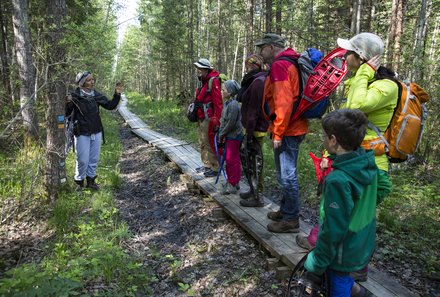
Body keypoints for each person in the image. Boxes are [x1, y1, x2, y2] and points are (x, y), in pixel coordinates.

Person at [296, 32, 397, 281]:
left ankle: (353, 267)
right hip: (349, 160)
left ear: (360, 58)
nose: (344, 56)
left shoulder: (386, 86)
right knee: (334, 213)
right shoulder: (362, 81)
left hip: (369, 163)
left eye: (349, 53)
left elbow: (355, 110)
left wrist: (363, 73)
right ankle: (330, 254)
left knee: (357, 220)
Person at [302, 109, 389, 297]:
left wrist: (316, 264)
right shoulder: (366, 161)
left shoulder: (338, 180)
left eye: (325, 136)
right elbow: (384, 186)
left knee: (337, 280)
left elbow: (333, 230)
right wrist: (362, 208)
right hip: (362, 240)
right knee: (342, 277)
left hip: (343, 249)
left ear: (334, 140)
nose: (323, 139)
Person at [256, 33, 308, 233]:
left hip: (288, 129)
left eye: (262, 48)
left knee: (287, 175)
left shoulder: (280, 65)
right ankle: (286, 210)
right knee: (284, 173)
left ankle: (291, 219)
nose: (261, 53)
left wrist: (277, 132)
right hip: (294, 126)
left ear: (271, 47)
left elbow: (283, 102)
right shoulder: (290, 61)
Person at [66, 72, 123, 190]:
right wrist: (68, 103)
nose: (92, 82)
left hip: (96, 131)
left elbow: (110, 105)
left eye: (92, 79)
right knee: (82, 159)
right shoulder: (74, 96)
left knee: (93, 159)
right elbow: (66, 113)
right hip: (81, 131)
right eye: (89, 80)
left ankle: (91, 181)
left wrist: (117, 94)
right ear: (82, 83)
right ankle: (79, 183)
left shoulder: (96, 95)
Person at [237, 53, 269, 207]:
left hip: (255, 129)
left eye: (248, 65)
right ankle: (252, 189)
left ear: (254, 65)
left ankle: (258, 196)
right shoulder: (256, 80)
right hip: (252, 128)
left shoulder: (258, 82)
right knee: (249, 162)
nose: (246, 68)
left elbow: (254, 110)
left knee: (255, 163)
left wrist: (249, 133)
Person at [193, 58, 223, 177]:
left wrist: (218, 120)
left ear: (206, 69)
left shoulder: (213, 81)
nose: (198, 71)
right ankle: (206, 164)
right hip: (200, 116)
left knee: (209, 142)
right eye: (198, 69)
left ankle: (215, 167)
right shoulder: (203, 81)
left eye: (200, 69)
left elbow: (218, 102)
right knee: (202, 142)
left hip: (209, 117)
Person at [218, 80, 244, 195]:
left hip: (234, 136)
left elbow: (231, 123)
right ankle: (235, 181)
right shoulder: (227, 103)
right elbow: (224, 120)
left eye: (224, 90)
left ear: (230, 92)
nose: (221, 91)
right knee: (234, 159)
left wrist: (221, 134)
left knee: (231, 160)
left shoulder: (233, 105)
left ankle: (232, 184)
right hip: (230, 135)